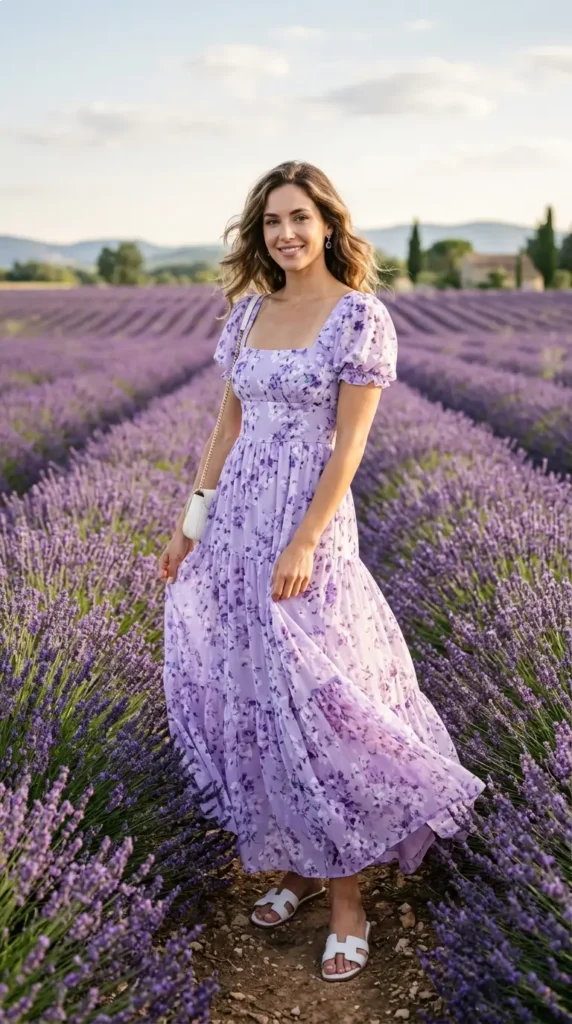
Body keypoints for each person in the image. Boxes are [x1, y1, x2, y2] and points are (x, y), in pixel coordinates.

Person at [159, 160, 486, 982]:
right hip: (236, 524)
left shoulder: (359, 318)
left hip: (309, 528)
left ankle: (348, 902)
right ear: (257, 232)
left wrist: (305, 540)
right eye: (272, 221)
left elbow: (348, 450)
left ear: (330, 223)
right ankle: (300, 866)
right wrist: (189, 527)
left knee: (324, 708)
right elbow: (222, 431)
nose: (286, 234)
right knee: (260, 697)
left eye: (299, 217)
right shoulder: (249, 316)